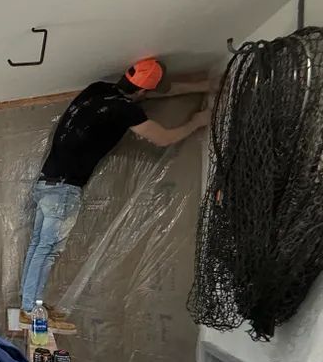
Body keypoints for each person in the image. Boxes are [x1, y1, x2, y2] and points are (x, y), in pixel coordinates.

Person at [19, 58, 209, 330]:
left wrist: (206, 85)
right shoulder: (125, 110)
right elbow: (163, 138)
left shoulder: (97, 89)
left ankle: (30, 303)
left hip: (45, 184)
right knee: (47, 251)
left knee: (38, 246)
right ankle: (30, 308)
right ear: (142, 92)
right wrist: (196, 122)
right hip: (64, 190)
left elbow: (159, 91)